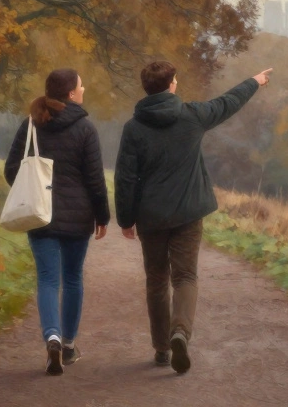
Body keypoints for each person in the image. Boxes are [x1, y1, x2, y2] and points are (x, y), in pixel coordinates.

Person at [114, 60, 272, 374]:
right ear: (171, 84)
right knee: (185, 277)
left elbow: (125, 177)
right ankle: (180, 332)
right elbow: (227, 103)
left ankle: (161, 349)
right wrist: (254, 81)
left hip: (152, 217)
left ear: (147, 88)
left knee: (157, 280)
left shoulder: (133, 128)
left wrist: (125, 219)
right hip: (188, 213)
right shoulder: (192, 116)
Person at [4, 68, 110, 376]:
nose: (84, 88)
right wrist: (102, 216)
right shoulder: (85, 129)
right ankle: (67, 345)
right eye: (81, 85)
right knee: (73, 278)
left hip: (40, 215)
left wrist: (31, 189)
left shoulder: (32, 125)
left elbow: (12, 168)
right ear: (71, 94)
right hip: (77, 219)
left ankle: (50, 336)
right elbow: (95, 180)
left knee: (48, 280)